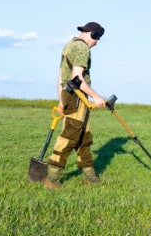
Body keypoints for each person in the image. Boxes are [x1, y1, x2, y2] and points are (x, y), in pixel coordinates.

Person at [44, 22, 107, 190]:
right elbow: (77, 79)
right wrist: (97, 97)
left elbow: (60, 79)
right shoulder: (82, 48)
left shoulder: (69, 45)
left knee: (83, 137)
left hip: (70, 96)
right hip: (77, 96)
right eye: (97, 38)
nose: (97, 43)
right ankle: (52, 178)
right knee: (70, 136)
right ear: (92, 34)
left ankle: (89, 176)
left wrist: (61, 102)